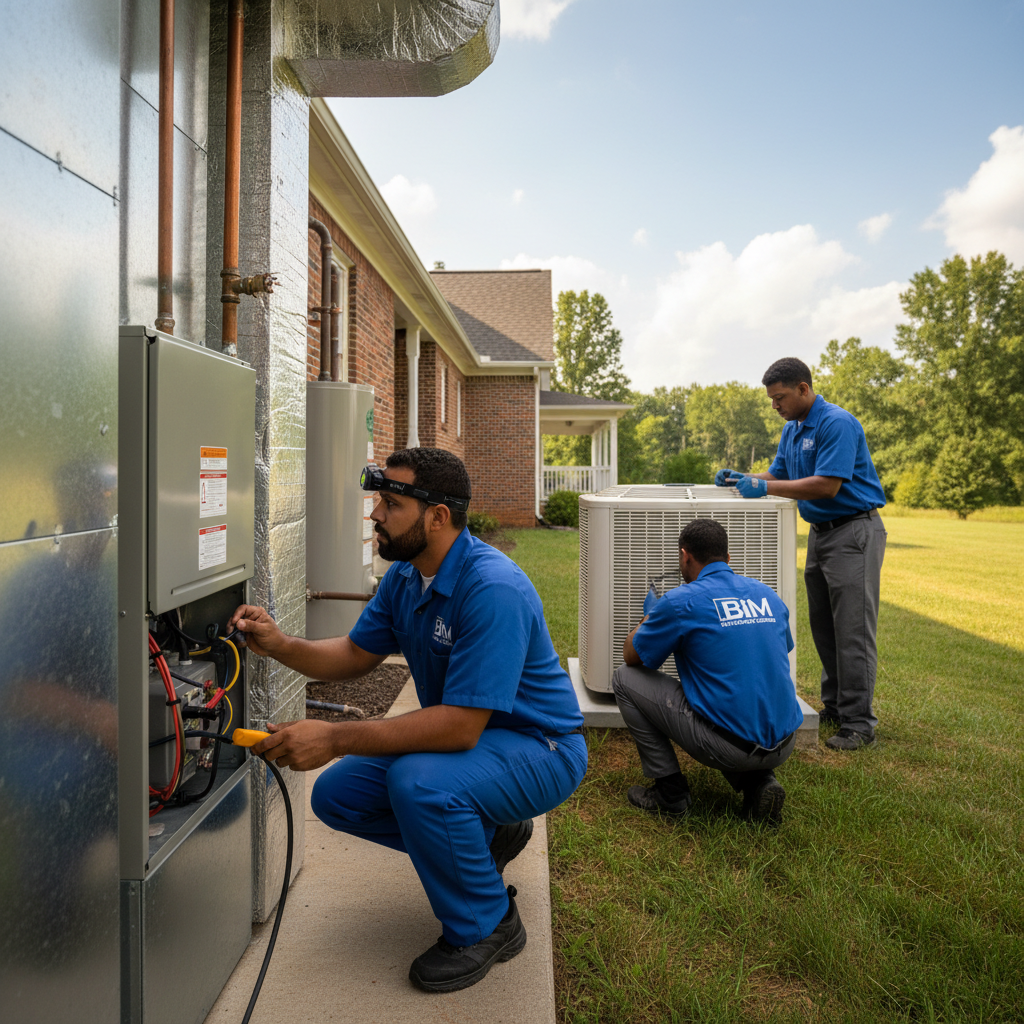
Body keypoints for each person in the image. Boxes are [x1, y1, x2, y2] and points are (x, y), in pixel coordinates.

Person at [227, 448, 587, 993]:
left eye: (390, 503)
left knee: (418, 784)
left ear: (437, 517)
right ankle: (490, 834)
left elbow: (459, 728)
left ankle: (488, 924)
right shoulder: (407, 576)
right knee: (337, 795)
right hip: (479, 744)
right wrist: (279, 644)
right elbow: (353, 655)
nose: (374, 514)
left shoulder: (492, 588)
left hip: (541, 748)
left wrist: (337, 736)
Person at [716, 356, 887, 750]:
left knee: (853, 631)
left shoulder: (835, 423)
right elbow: (778, 474)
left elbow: (827, 486)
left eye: (779, 398)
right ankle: (835, 707)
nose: (775, 406)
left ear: (803, 389)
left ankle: (859, 723)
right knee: (824, 626)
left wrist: (767, 490)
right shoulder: (793, 430)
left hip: (853, 532)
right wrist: (742, 479)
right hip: (820, 534)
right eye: (772, 400)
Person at [613, 519, 802, 826]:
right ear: (727, 559)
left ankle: (670, 793)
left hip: (727, 748)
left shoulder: (679, 601)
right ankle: (759, 783)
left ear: (685, 556)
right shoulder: (767, 594)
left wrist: (650, 616)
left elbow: (632, 657)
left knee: (624, 678)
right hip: (785, 742)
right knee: (732, 700)